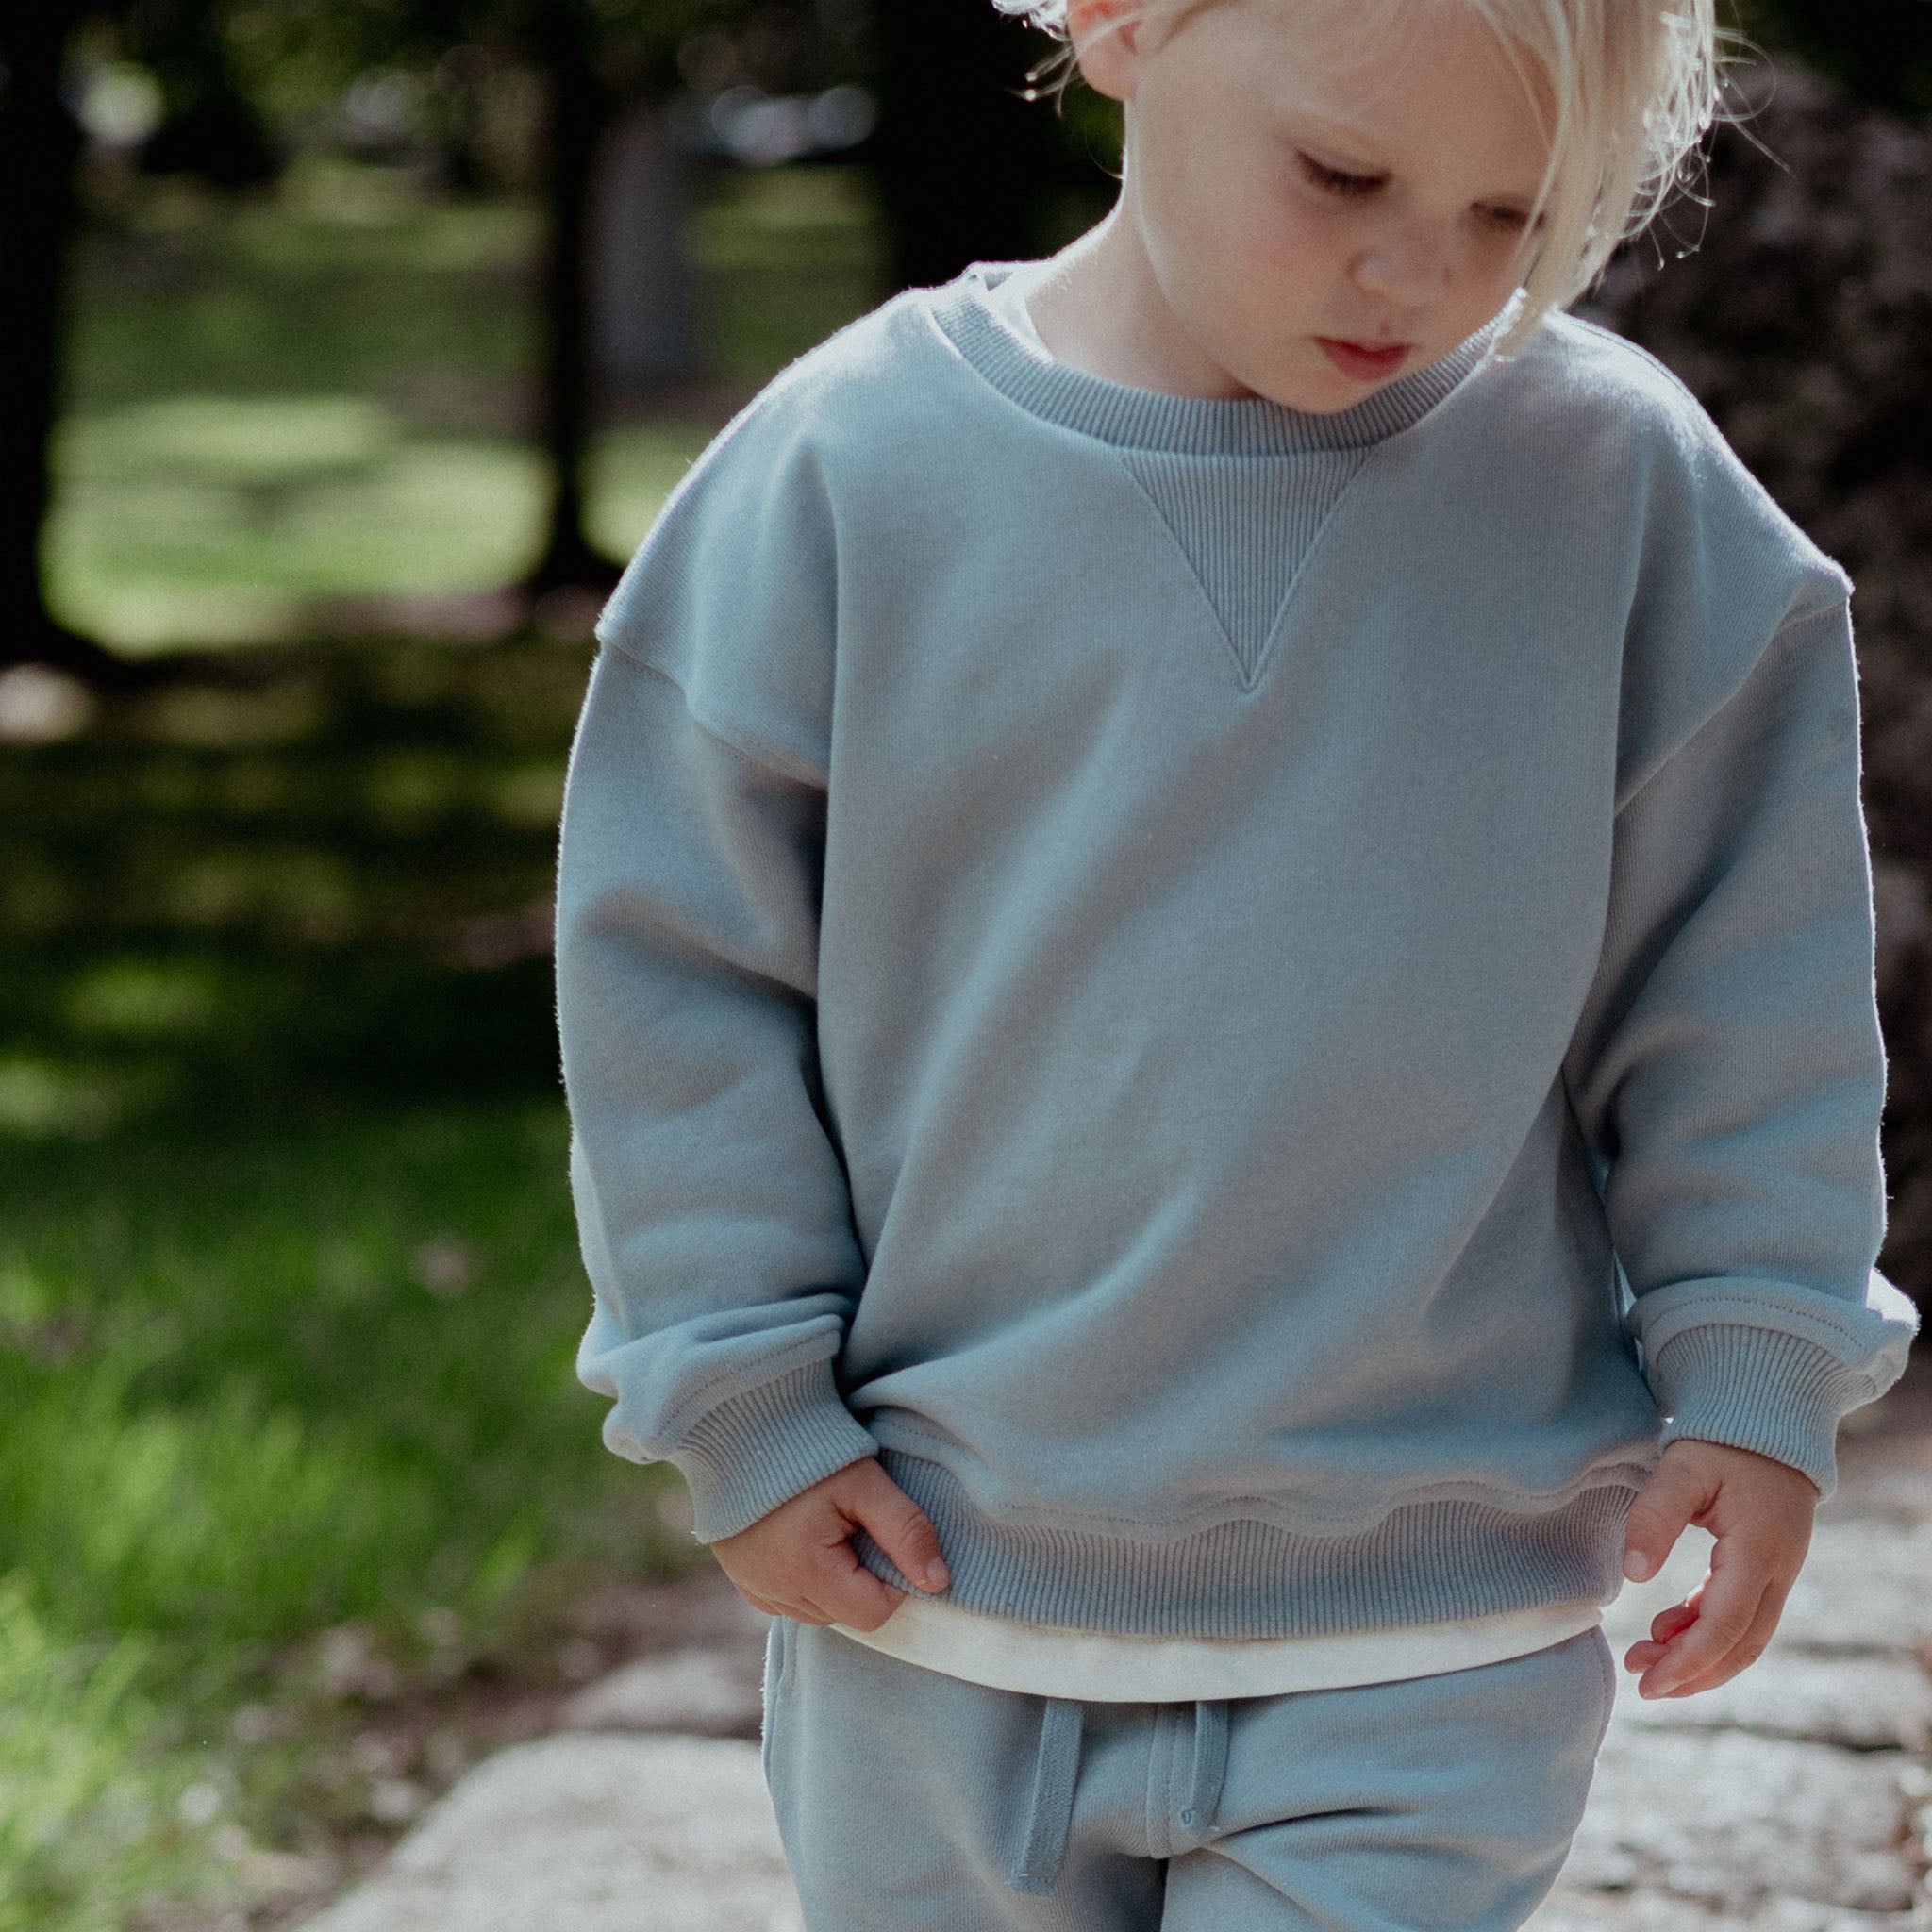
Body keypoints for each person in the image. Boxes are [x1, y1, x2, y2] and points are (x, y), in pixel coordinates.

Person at [552, 0, 1920, 1922]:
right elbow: (676, 973)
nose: (1418, 272)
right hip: (940, 1605)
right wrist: (738, 1396)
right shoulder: (843, 472)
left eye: (1512, 216)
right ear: (1120, 21)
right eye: (1342, 174)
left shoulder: (1621, 496)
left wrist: (1761, 1358)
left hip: (1434, 1628)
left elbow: (1744, 983)